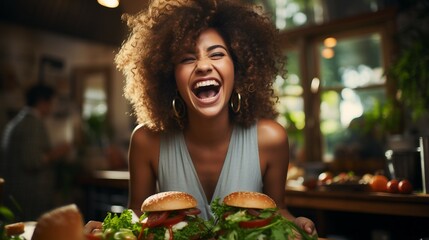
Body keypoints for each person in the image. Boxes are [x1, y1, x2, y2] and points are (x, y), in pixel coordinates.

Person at [86, 0, 316, 235]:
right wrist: (111, 230)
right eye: (187, 58)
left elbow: (277, 211)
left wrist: (294, 222)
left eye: (217, 54)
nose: (204, 66)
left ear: (238, 69)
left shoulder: (271, 139)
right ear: (169, 77)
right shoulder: (146, 140)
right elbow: (138, 214)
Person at [1, 83, 71, 220]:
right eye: (52, 102)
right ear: (42, 102)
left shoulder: (16, 121)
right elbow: (32, 160)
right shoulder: (32, 123)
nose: (53, 107)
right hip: (29, 196)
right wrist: (58, 152)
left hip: (14, 194)